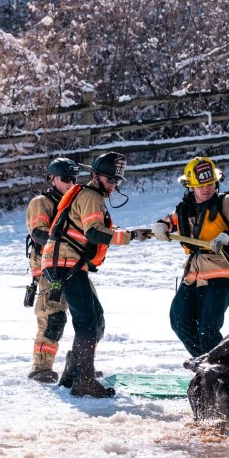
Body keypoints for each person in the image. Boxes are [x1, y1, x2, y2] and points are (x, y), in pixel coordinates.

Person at [42, 152, 152, 397]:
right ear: (95, 177)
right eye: (110, 180)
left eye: (116, 181)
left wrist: (130, 234)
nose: (113, 186)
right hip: (65, 262)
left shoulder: (88, 195)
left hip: (68, 262)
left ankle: (73, 374)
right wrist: (131, 236)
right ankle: (84, 381)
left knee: (96, 319)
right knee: (87, 321)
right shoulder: (91, 196)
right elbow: (94, 233)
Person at [152, 157, 229, 358]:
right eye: (200, 185)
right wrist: (162, 225)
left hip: (222, 273)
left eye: (210, 183)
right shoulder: (185, 208)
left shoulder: (227, 202)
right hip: (194, 275)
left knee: (207, 330)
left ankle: (221, 376)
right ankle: (208, 368)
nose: (206, 189)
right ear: (190, 186)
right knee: (179, 321)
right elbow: (169, 221)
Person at [24, 158, 81, 382]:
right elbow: (39, 233)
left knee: (89, 314)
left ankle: (81, 364)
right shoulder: (41, 202)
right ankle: (41, 366)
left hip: (74, 264)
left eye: (74, 179)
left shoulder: (76, 201)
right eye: (66, 178)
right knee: (52, 316)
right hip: (50, 265)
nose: (70, 183)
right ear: (52, 179)